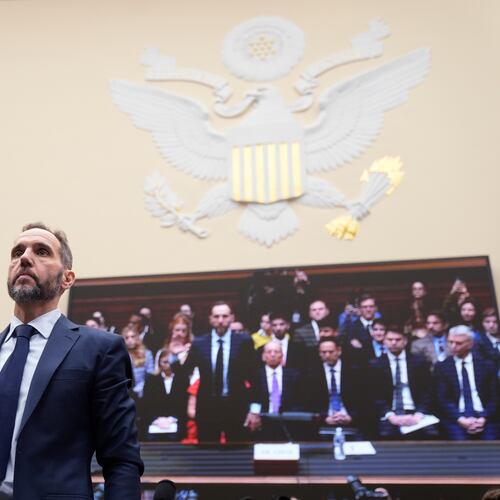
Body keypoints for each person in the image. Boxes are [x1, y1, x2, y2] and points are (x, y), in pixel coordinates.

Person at [0, 223, 142, 499]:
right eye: (17, 252)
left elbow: (121, 458)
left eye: (41, 252)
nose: (25, 258)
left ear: (67, 278)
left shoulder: (99, 350)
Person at [184, 301, 259, 442]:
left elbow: (254, 376)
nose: (220, 321)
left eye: (224, 316)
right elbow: (185, 371)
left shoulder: (244, 342)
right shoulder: (199, 343)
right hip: (207, 407)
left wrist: (254, 410)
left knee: (236, 451)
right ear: (210, 319)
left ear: (232, 318)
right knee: (208, 452)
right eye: (216, 316)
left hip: (236, 406)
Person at [369, 326, 436, 439]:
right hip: (390, 412)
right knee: (384, 435)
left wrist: (418, 415)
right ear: (384, 341)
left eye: (398, 340)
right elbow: (375, 395)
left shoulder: (419, 362)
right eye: (390, 340)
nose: (394, 343)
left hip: (415, 411)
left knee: (431, 434)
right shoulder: (376, 364)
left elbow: (428, 392)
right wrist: (391, 416)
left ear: (405, 341)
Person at [434, 325, 499, 440]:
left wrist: (483, 418)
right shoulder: (443, 367)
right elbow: (443, 399)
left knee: (491, 445)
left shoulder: (486, 365)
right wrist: (461, 419)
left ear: (470, 344)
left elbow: (495, 397)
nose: (453, 346)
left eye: (458, 343)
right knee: (461, 446)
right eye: (450, 342)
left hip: (485, 416)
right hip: (457, 416)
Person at [307, 337, 365, 437]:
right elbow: (309, 402)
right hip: (324, 421)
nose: (327, 355)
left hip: (351, 419)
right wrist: (324, 418)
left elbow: (363, 400)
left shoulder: (354, 371)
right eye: (323, 352)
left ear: (339, 351)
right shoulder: (311, 374)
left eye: (331, 352)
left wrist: (351, 417)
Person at [250, 341, 304, 440]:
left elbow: (299, 400)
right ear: (263, 356)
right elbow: (253, 398)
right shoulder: (255, 375)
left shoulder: (294, 375)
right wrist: (255, 414)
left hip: (287, 420)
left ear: (282, 356)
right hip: (263, 420)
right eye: (269, 352)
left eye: (276, 352)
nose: (273, 355)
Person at [139, 349, 190, 441]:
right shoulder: (151, 380)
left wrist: (172, 419)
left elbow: (184, 404)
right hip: (155, 421)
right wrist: (157, 420)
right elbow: (146, 404)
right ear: (159, 363)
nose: (168, 365)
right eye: (165, 362)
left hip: (176, 421)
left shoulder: (183, 380)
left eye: (171, 362)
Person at [122, 325, 155, 398]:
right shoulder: (121, 355)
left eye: (132, 337)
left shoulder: (147, 353)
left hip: (144, 393)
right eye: (127, 337)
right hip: (126, 394)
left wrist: (140, 389)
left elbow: (150, 374)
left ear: (137, 338)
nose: (130, 340)